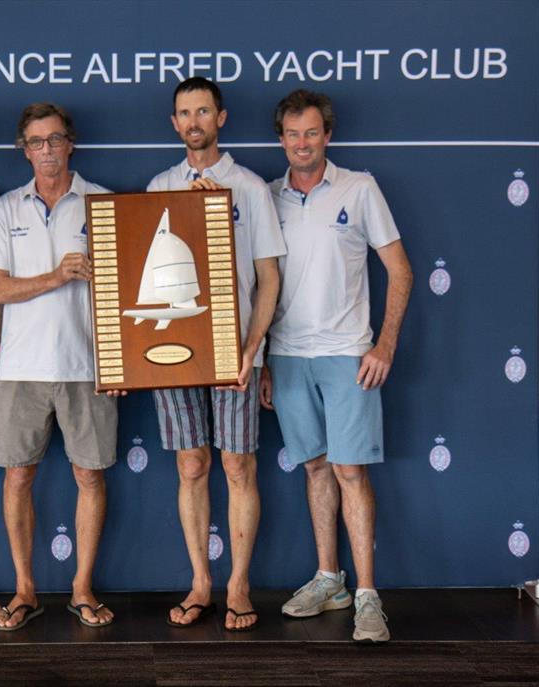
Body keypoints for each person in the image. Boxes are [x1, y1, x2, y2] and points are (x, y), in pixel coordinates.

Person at [261, 89, 413, 643]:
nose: (302, 144)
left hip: (349, 353)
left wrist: (385, 346)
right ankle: (331, 579)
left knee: (351, 471)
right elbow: (256, 282)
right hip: (287, 354)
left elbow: (400, 271)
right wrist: (264, 361)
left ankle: (369, 597)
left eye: (312, 133)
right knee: (316, 469)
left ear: (328, 135)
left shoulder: (360, 187)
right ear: (281, 139)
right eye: (292, 134)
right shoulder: (264, 196)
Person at [147, 77, 286, 631]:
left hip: (235, 351)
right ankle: (201, 581)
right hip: (172, 349)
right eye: (185, 113)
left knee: (237, 463)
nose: (194, 121)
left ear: (220, 118)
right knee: (191, 463)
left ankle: (239, 585)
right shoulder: (158, 187)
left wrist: (254, 349)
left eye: (203, 110)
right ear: (175, 123)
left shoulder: (250, 187)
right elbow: (145, 276)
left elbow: (269, 277)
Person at [0, 103, 118, 631]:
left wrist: (119, 363)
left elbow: (124, 294)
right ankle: (24, 590)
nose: (46, 150)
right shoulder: (5, 208)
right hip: (19, 367)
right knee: (18, 477)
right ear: (24, 149)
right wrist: (57, 276)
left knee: (90, 475)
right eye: (36, 142)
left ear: (70, 144)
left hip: (87, 365)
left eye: (55, 140)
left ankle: (82, 587)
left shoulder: (102, 202)